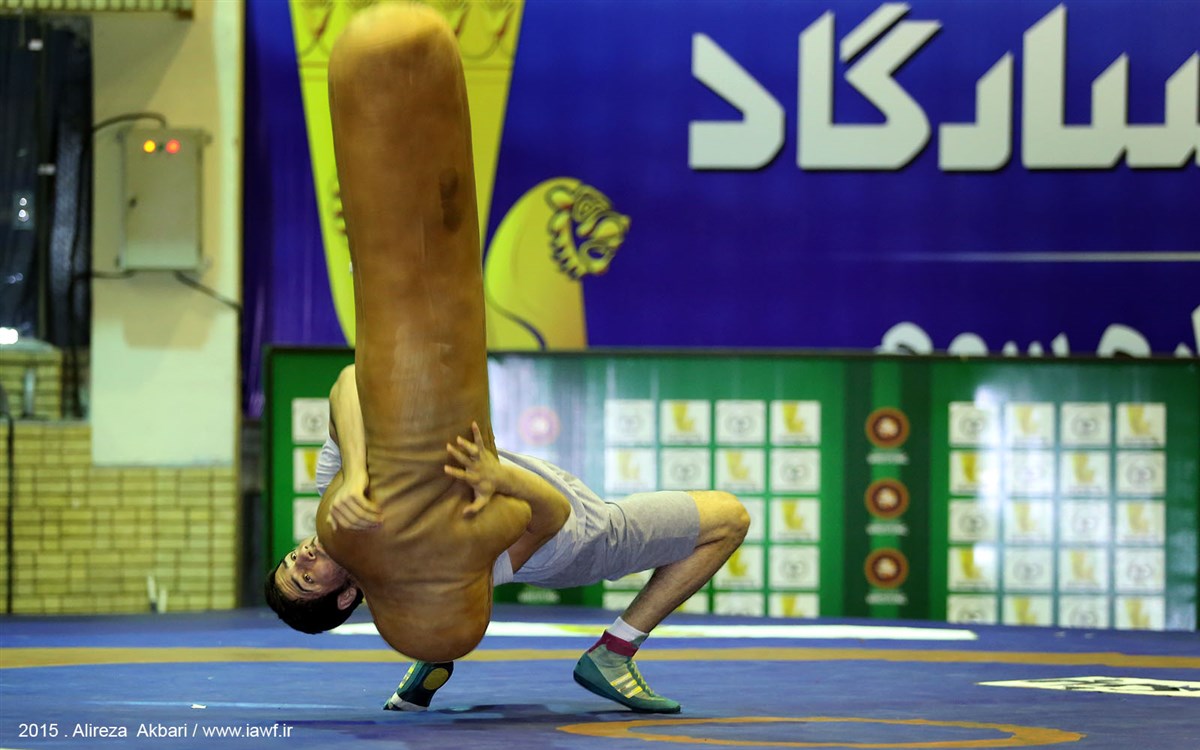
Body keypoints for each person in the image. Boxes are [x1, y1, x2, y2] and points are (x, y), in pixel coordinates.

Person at [265, 365, 750, 714]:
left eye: (291, 559)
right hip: (580, 535)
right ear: (345, 596)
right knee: (729, 518)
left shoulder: (336, 492)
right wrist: (499, 477)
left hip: (541, 496)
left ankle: (433, 651)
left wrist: (354, 473)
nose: (302, 556)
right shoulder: (424, 572)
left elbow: (352, 379)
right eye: (307, 578)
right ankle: (613, 653)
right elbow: (551, 515)